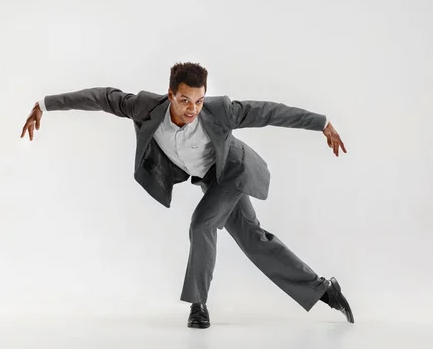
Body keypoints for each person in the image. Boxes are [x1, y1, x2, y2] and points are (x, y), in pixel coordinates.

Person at [20, 62, 353, 328]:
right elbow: (101, 97)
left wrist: (321, 123)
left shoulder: (221, 111)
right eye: (184, 100)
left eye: (199, 100)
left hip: (232, 172)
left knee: (201, 224)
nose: (193, 108)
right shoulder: (145, 108)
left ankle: (198, 304)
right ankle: (323, 290)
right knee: (254, 240)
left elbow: (267, 111)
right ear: (170, 95)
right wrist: (44, 105)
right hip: (209, 178)